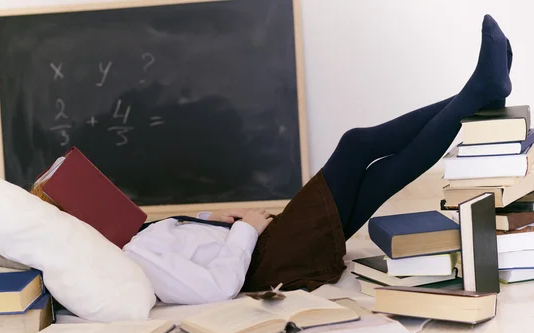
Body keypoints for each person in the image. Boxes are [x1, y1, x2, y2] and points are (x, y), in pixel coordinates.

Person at [35, 15, 513, 305]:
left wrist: (214, 219)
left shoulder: (138, 236)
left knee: (380, 172)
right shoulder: (135, 257)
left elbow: (185, 240)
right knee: (356, 146)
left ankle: (476, 92)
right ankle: (477, 91)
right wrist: (246, 229)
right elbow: (216, 286)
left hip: (271, 242)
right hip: (273, 256)